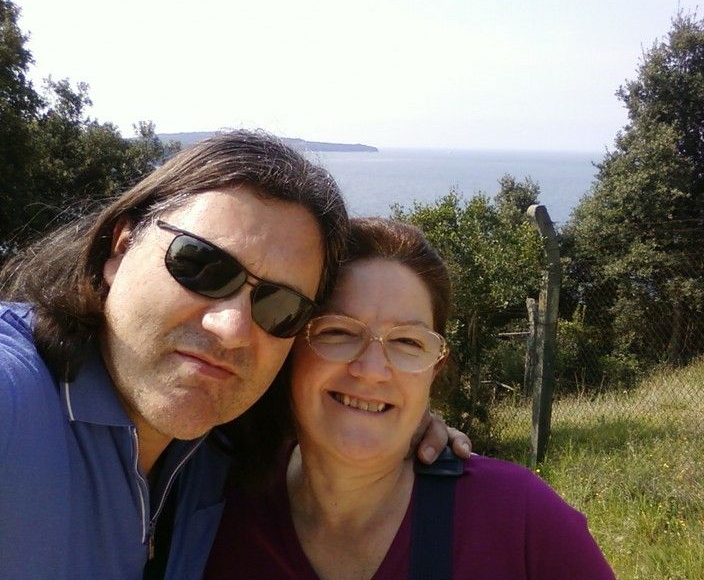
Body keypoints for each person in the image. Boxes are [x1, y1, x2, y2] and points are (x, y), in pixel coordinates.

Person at [0, 131, 470, 579]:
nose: (232, 329)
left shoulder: (222, 442)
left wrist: (387, 416)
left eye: (280, 306)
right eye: (201, 266)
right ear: (120, 247)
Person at [204, 217, 615, 579]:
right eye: (338, 332)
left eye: (408, 342)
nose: (372, 370)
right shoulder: (213, 502)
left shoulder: (520, 519)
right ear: (292, 347)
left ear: (434, 368)